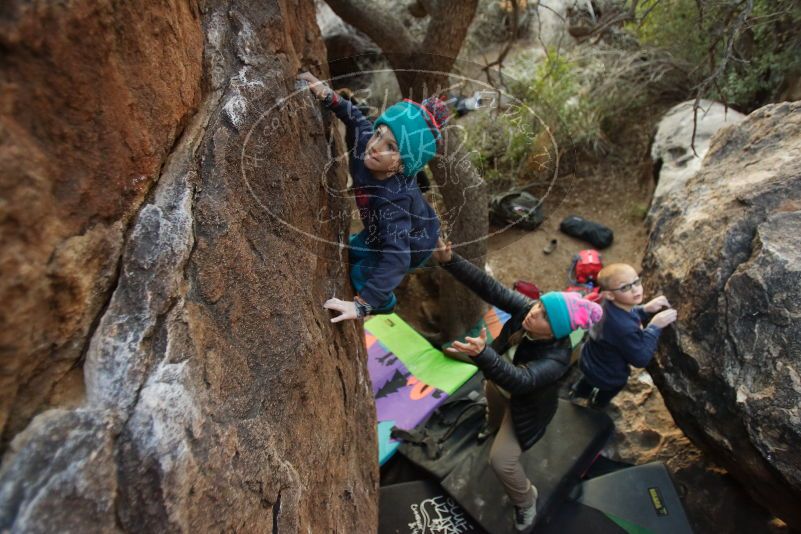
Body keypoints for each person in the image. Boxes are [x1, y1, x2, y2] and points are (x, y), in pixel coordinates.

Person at [434, 239, 603, 533]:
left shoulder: (556, 358)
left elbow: (521, 381)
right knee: (492, 403)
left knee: (502, 461)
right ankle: (491, 423)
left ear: (555, 332)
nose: (534, 313)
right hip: (498, 385)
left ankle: (526, 500)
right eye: (540, 305)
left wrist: (483, 354)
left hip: (526, 407)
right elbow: (490, 287)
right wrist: (451, 260)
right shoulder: (528, 310)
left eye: (545, 316)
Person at [297, 72, 445, 322]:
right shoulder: (367, 144)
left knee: (361, 272)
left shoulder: (395, 199)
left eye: (391, 148)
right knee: (355, 249)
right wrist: (328, 96)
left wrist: (362, 305)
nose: (376, 146)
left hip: (413, 242)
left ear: (402, 165)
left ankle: (385, 302)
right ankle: (368, 249)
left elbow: (397, 257)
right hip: (384, 225)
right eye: (380, 135)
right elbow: (356, 119)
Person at [570, 263, 677, 408]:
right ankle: (596, 406)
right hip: (608, 375)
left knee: (587, 381)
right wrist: (654, 327)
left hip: (588, 359)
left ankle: (576, 394)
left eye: (636, 281)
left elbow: (623, 313)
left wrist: (644, 309)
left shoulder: (605, 303)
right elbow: (640, 358)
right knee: (606, 392)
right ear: (609, 294)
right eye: (625, 287)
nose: (635, 289)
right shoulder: (623, 328)